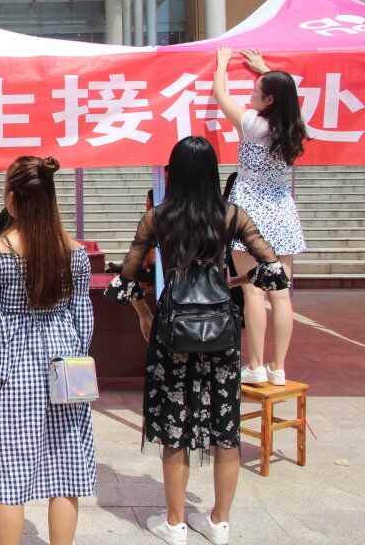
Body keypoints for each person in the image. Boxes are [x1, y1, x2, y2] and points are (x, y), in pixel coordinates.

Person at [104, 136, 290, 545]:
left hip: (173, 330)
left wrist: (145, 315)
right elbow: (274, 270)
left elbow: (126, 279)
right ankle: (219, 522)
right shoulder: (231, 215)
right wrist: (236, 283)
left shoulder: (158, 217)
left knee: (174, 425)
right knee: (225, 426)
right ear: (211, 172)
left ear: (174, 172)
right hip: (221, 333)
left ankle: (175, 524)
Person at [0, 155, 96, 545]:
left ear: (12, 198)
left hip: (13, 364)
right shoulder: (74, 251)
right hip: (66, 358)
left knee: (11, 475)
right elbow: (83, 317)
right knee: (67, 468)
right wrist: (78, 361)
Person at [213, 47, 308, 386]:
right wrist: (265, 70)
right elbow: (287, 97)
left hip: (249, 212)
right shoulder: (295, 127)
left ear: (269, 99)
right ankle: (278, 368)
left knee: (253, 291)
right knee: (281, 293)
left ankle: (254, 365)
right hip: (282, 212)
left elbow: (221, 95)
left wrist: (222, 64)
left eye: (256, 91)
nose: (251, 95)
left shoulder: (254, 125)